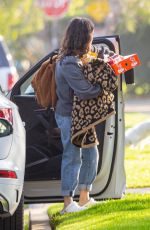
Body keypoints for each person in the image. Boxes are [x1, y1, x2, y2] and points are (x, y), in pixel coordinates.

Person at [55, 17, 102, 214]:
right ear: (83, 38)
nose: (91, 41)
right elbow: (85, 91)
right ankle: (68, 204)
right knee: (72, 156)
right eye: (90, 37)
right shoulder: (68, 63)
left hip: (81, 116)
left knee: (91, 154)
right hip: (69, 116)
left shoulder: (76, 59)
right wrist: (104, 85)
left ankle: (84, 198)